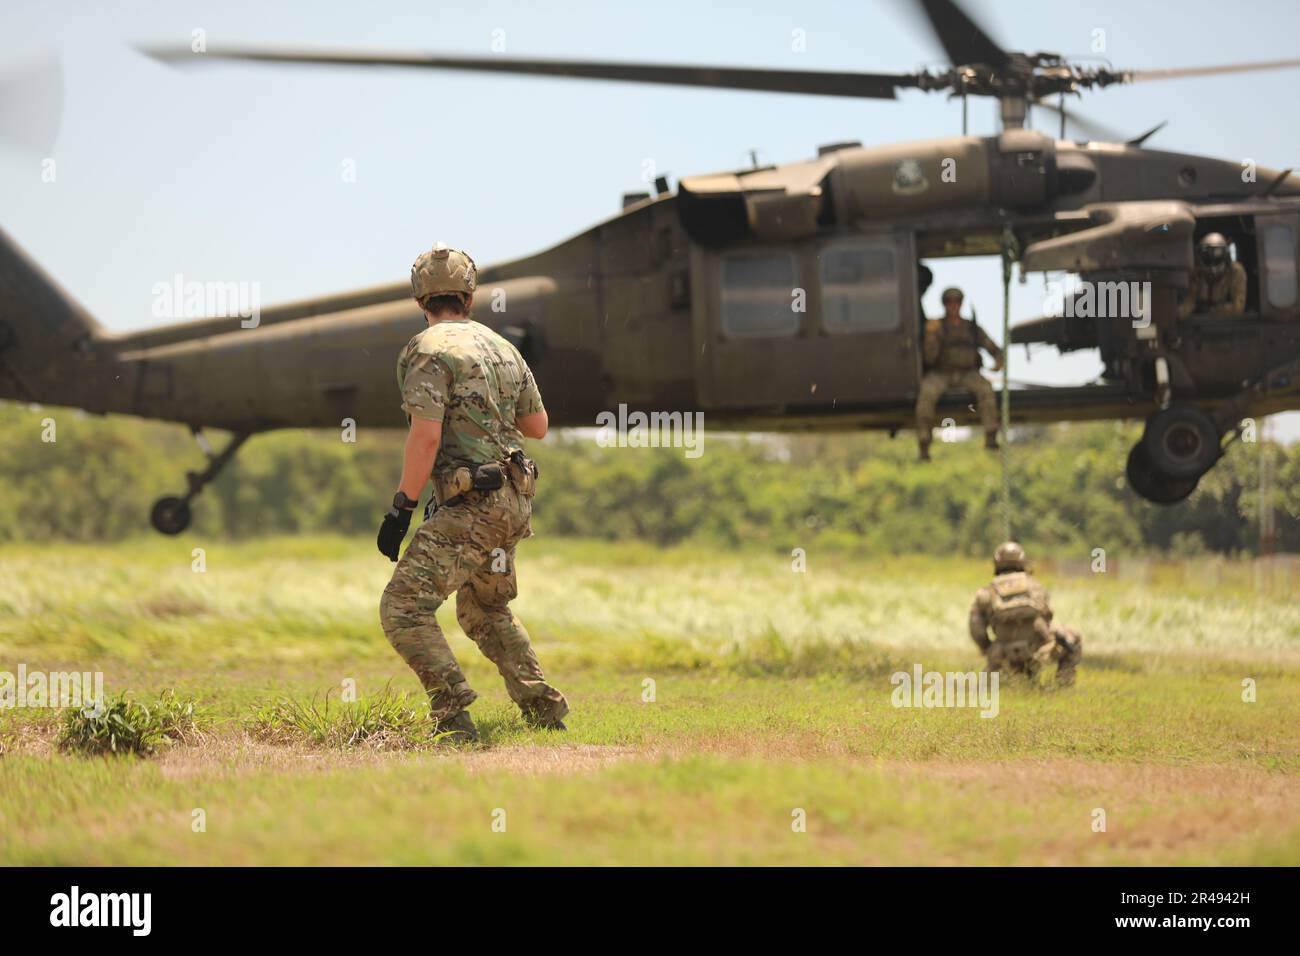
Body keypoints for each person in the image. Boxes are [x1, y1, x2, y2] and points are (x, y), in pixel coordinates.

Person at [377, 243, 569, 742]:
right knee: (483, 609)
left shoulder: (426, 349)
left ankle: (452, 714)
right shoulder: (503, 347)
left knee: (403, 607)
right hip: (513, 501)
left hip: (473, 504)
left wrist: (402, 506)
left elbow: (425, 435)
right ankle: (543, 709)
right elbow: (538, 425)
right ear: (470, 295)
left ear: (420, 298)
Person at [968, 541, 1082, 687]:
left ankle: (1011, 678)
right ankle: (1062, 686)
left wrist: (988, 648)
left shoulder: (986, 592)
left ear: (996, 563)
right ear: (1022, 561)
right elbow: (1047, 618)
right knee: (1073, 635)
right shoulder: (1035, 586)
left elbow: (975, 628)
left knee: (990, 688)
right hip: (1037, 653)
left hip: (1001, 656)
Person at [915, 287, 1004, 461]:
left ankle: (991, 435)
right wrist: (931, 337)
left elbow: (992, 347)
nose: (953, 306)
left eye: (956, 302)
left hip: (967, 373)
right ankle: (924, 443)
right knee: (926, 395)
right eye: (949, 302)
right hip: (942, 373)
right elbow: (928, 357)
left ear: (961, 304)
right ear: (944, 305)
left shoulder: (971, 327)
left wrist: (998, 362)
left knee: (986, 390)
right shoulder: (937, 327)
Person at [1178, 232, 1247, 317]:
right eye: (1207, 259)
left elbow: (1238, 307)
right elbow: (1189, 302)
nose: (1212, 267)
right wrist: (1178, 313)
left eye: (1217, 260)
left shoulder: (1235, 271)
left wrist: (1212, 311)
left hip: (1227, 323)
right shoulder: (1196, 274)